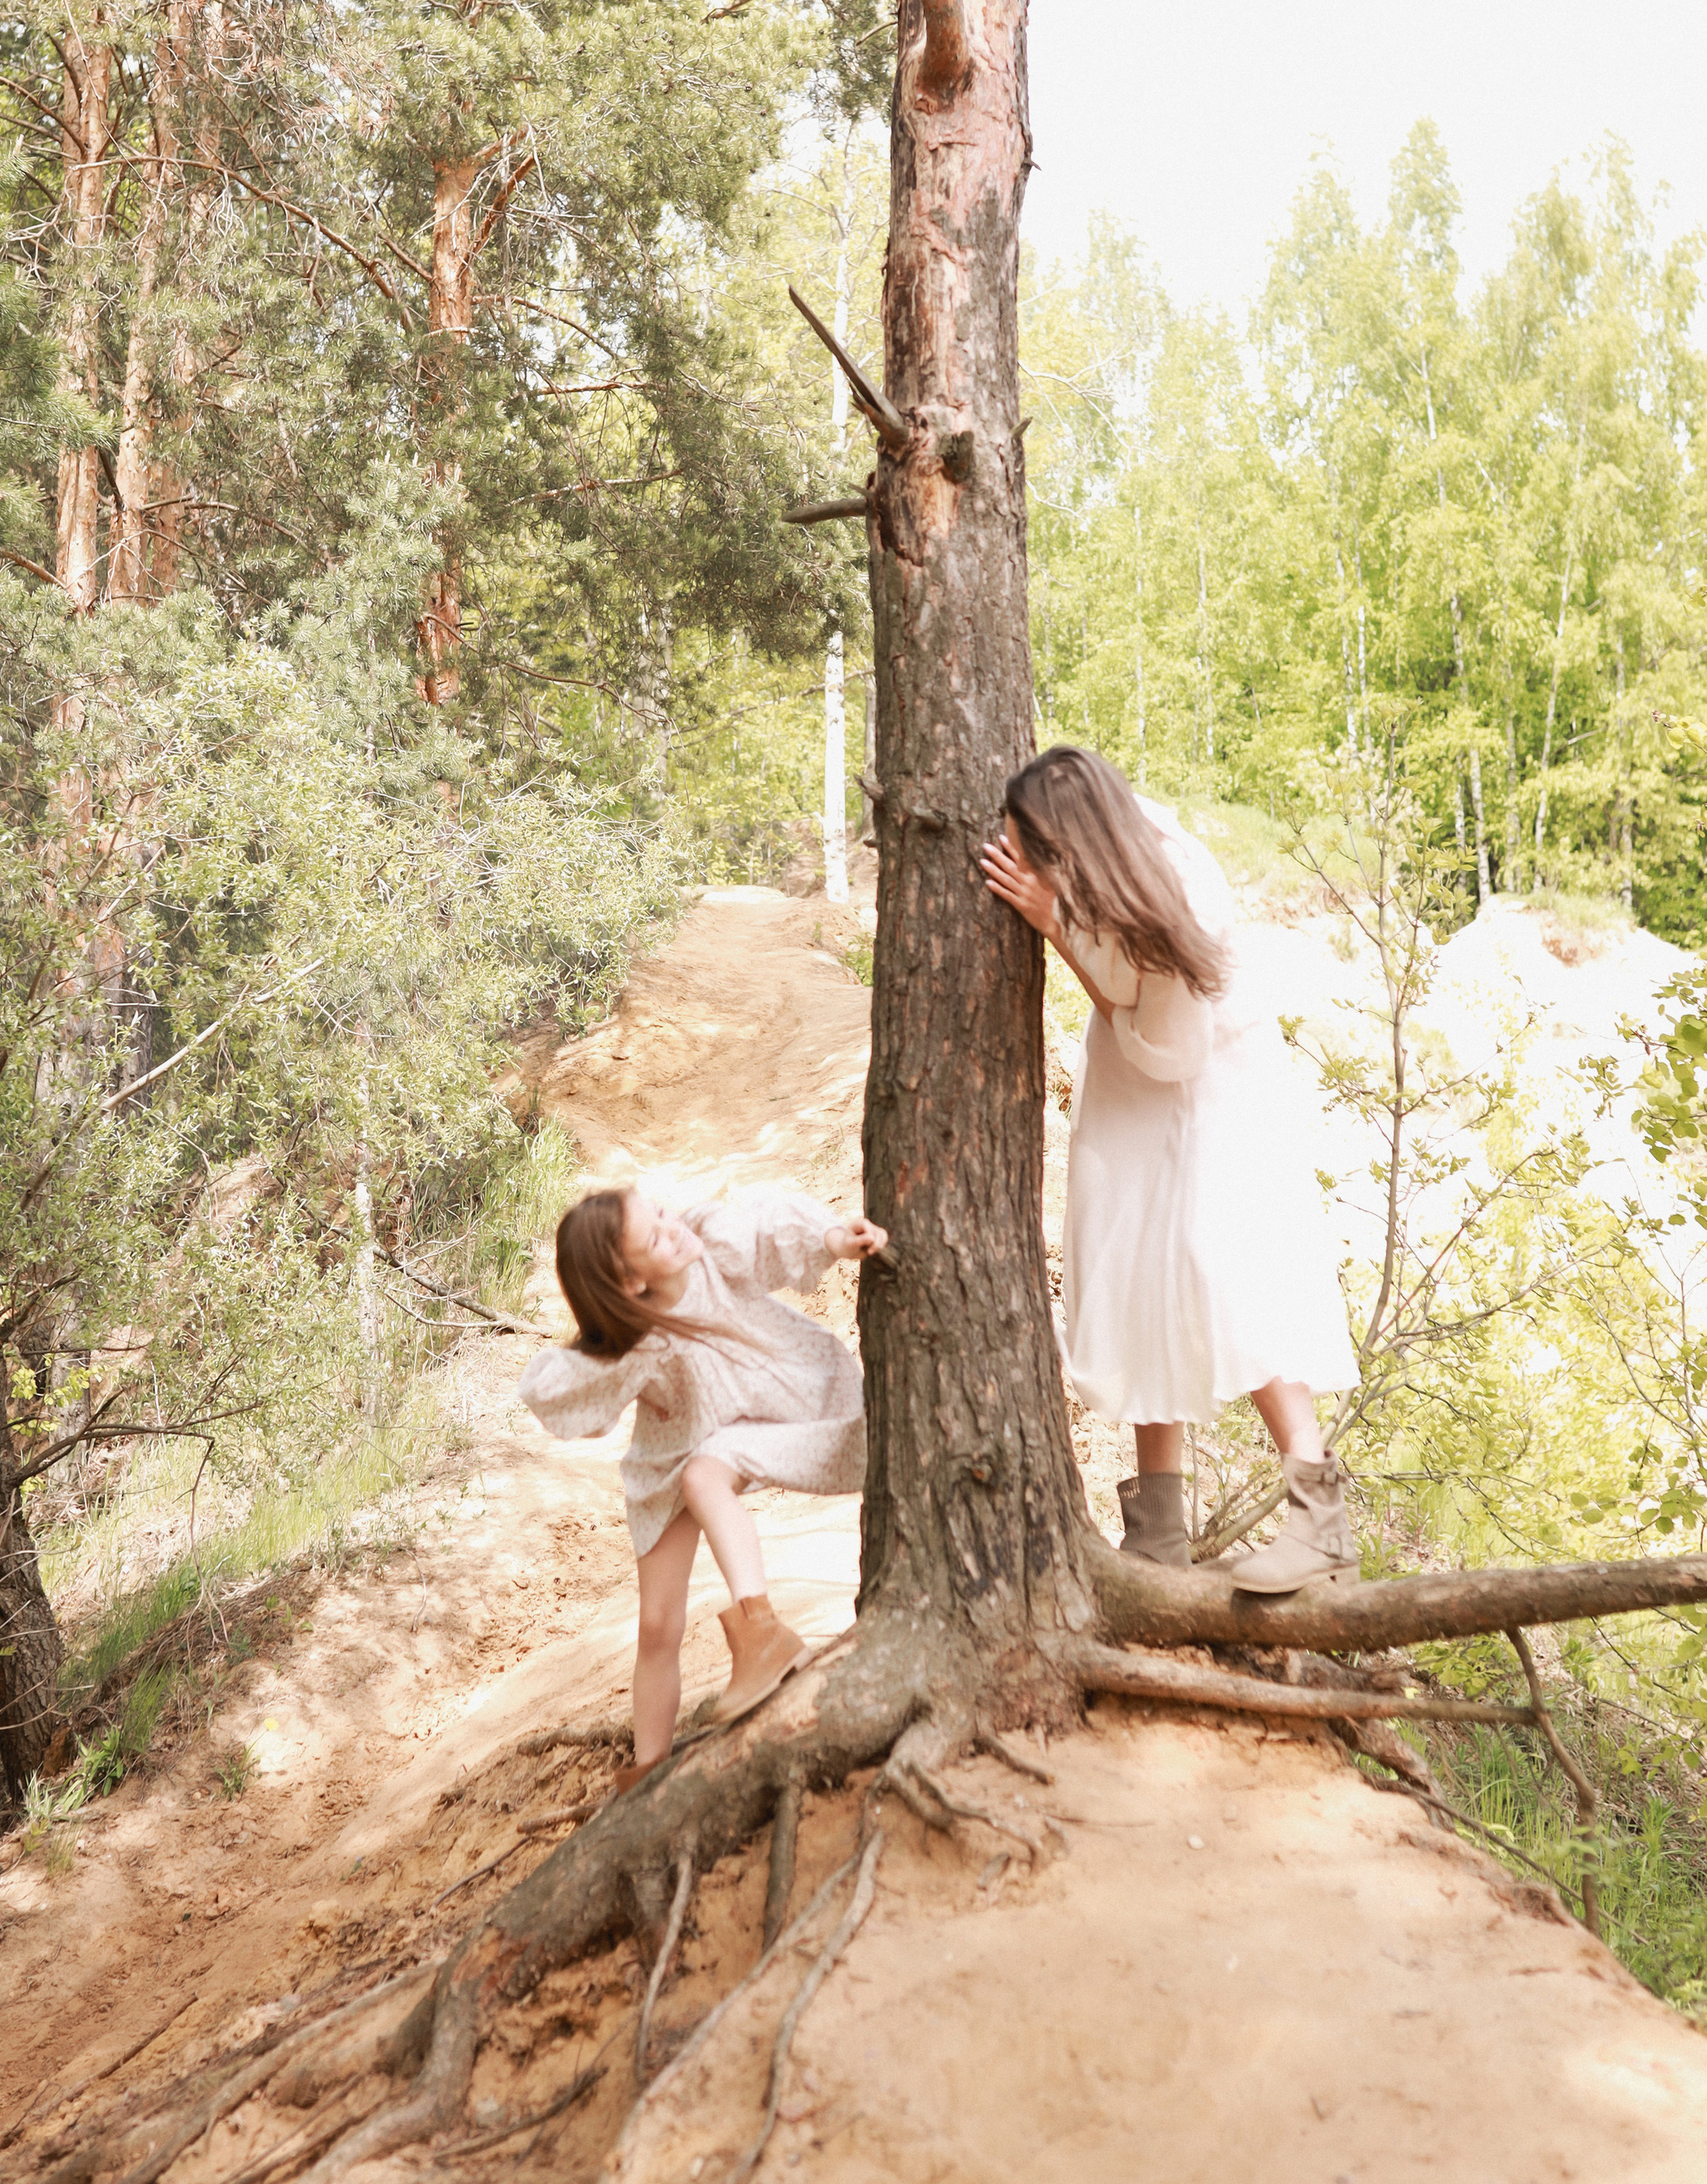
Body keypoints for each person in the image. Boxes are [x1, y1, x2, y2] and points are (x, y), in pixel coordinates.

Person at [981, 745, 1360, 1592]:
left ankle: (1320, 1520)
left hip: (1202, 1079)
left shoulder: (1171, 888)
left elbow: (1167, 1052)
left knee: (1219, 1271)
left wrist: (1056, 930)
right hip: (1133, 1079)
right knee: (1133, 1275)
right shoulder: (1113, 839)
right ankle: (1156, 1535)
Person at [521, 1181, 887, 1786]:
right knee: (657, 1625)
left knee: (706, 1471)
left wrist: (832, 1238)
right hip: (670, 1459)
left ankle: (761, 1630)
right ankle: (650, 1770)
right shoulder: (635, 1340)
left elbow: (770, 1234)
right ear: (631, 1284)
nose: (675, 1227)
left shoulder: (714, 1249)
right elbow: (559, 1393)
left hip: (785, 1405)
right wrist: (618, 1351)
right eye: (656, 1238)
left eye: (661, 1212)